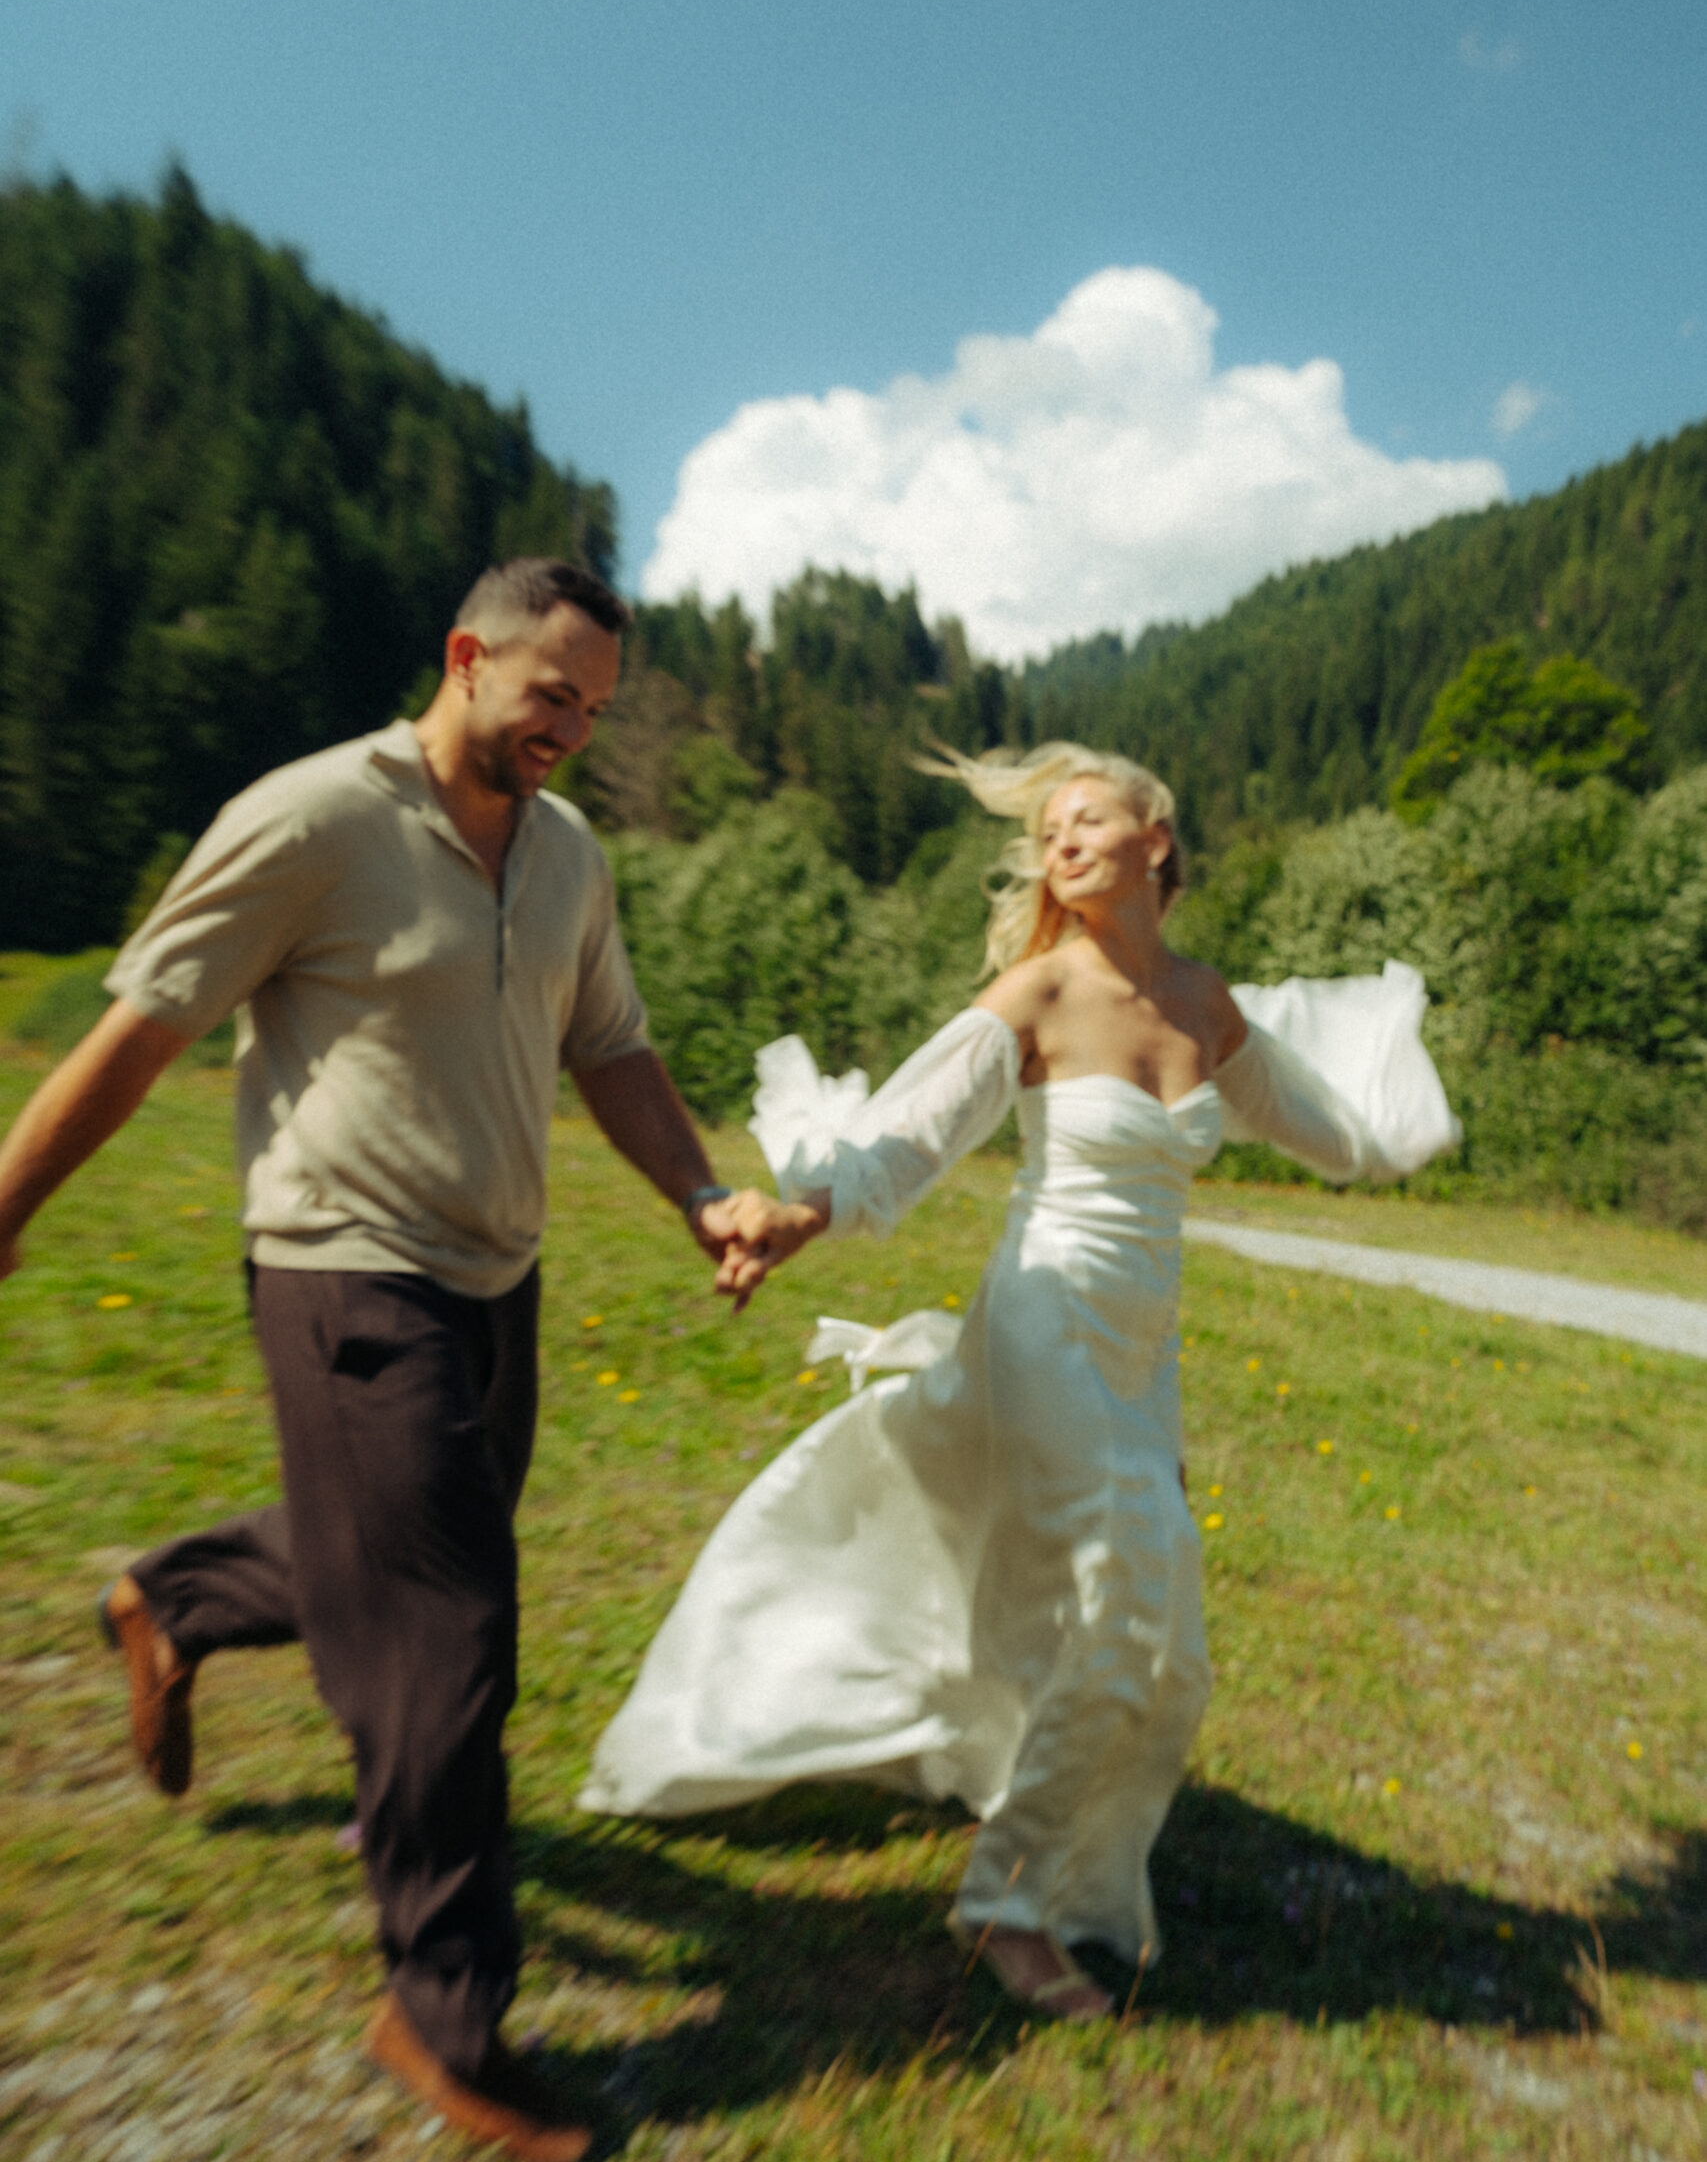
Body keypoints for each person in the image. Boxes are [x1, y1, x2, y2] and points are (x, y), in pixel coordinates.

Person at [0, 557, 792, 2162]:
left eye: (596, 705)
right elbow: (143, 1025)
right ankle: (439, 2017)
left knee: (399, 1561)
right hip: (341, 1269)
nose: (569, 725)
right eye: (548, 690)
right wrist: (5, 1203)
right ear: (465, 657)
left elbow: (612, 1046)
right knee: (446, 1631)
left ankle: (176, 1597)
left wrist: (703, 1193)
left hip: (496, 1277)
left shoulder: (567, 857)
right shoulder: (312, 818)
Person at [579, 742, 1459, 2022]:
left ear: (1157, 837)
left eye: (1087, 817)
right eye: (1048, 829)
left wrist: (1396, 1133)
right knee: (1123, 1590)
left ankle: (1040, 1832)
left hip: (1138, 1348)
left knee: (1167, 1641)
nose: (1062, 841)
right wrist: (800, 1215)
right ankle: (1006, 1903)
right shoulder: (1039, 990)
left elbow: (1319, 1128)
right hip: (1043, 1312)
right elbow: (913, 1129)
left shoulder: (1204, 1006)